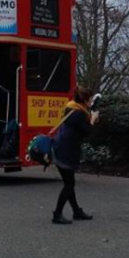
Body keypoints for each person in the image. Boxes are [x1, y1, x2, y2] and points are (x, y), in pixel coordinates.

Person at [51, 86, 98, 224]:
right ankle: (57, 214)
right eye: (90, 100)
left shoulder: (72, 108)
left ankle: (76, 211)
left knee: (69, 183)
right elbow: (88, 132)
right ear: (84, 100)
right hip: (66, 152)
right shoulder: (77, 114)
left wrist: (91, 118)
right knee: (69, 184)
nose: (91, 102)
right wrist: (93, 119)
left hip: (61, 149)